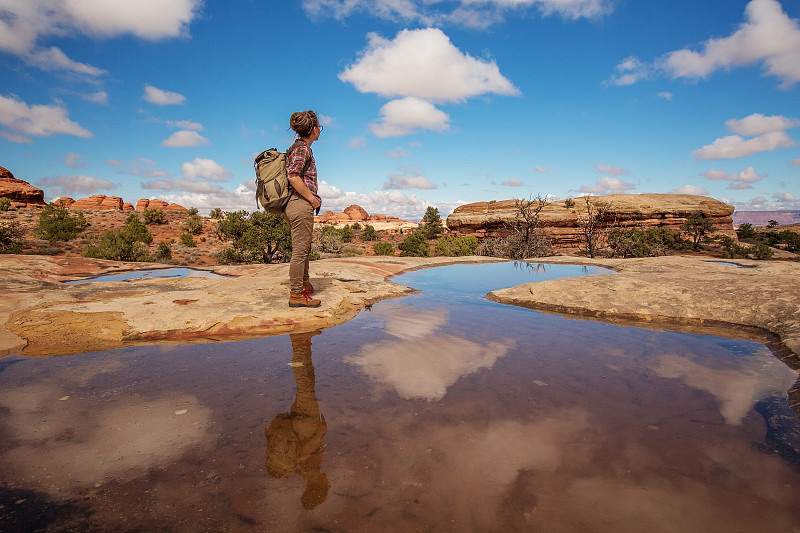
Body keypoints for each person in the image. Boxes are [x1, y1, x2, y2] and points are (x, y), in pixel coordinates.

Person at [285, 110, 323, 308]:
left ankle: (304, 282)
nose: (320, 131)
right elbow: (293, 175)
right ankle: (296, 294)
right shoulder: (302, 149)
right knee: (300, 251)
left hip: (296, 204)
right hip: (300, 204)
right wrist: (312, 199)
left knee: (304, 247)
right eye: (319, 127)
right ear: (313, 129)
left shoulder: (298, 147)